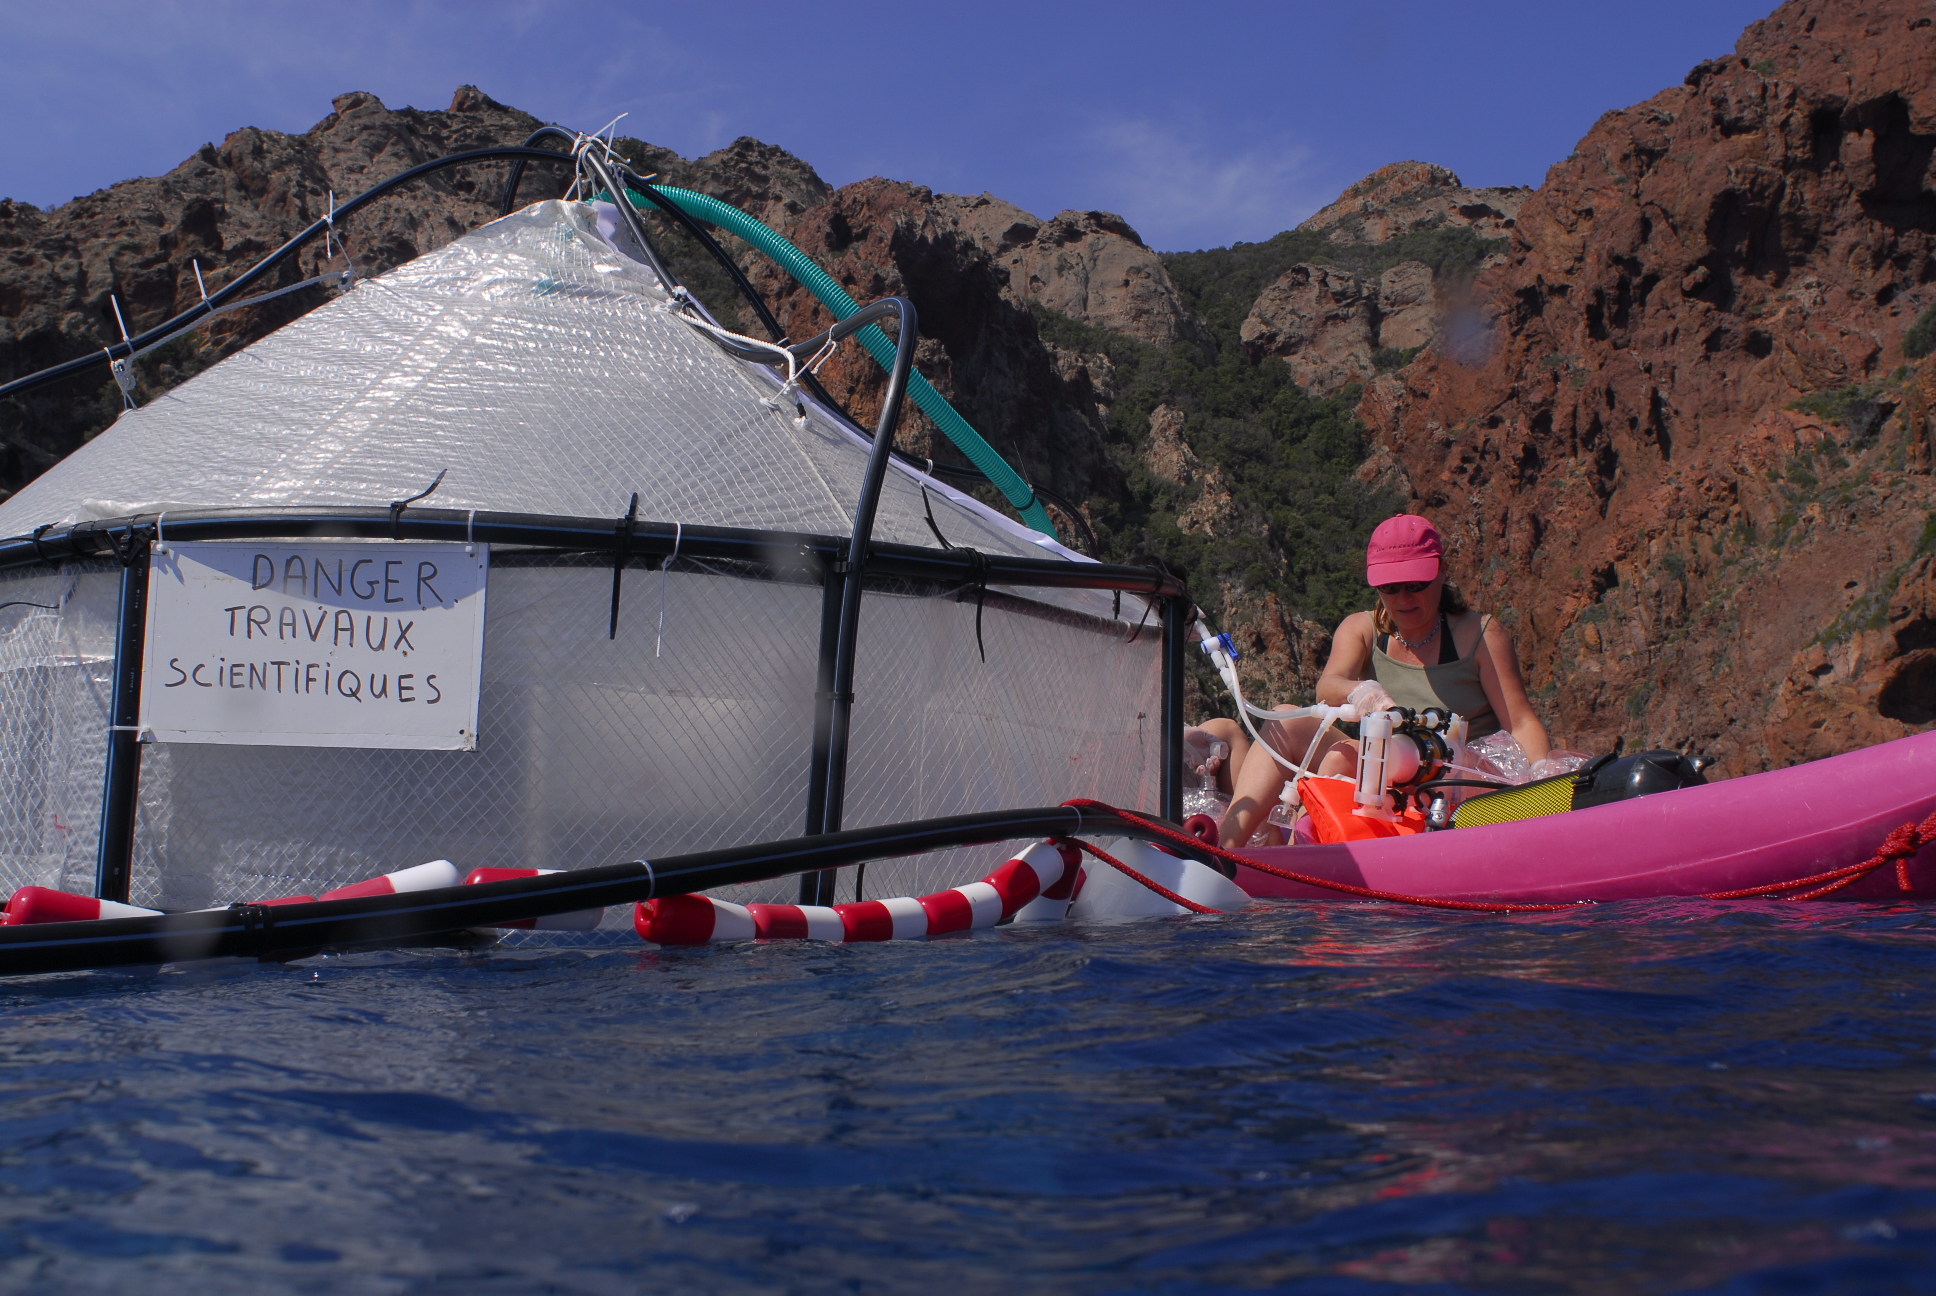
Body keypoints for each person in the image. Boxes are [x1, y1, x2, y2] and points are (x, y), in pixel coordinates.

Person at [1219, 514, 1551, 847]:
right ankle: (1225, 850)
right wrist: (1363, 692)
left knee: (1339, 760)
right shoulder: (1363, 629)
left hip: (1454, 781)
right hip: (1382, 767)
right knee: (1286, 721)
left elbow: (1521, 722)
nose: (1403, 599)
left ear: (1442, 572)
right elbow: (1328, 687)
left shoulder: (1479, 636)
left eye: (1416, 585)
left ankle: (1308, 857)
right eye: (1390, 588)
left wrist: (1542, 783)